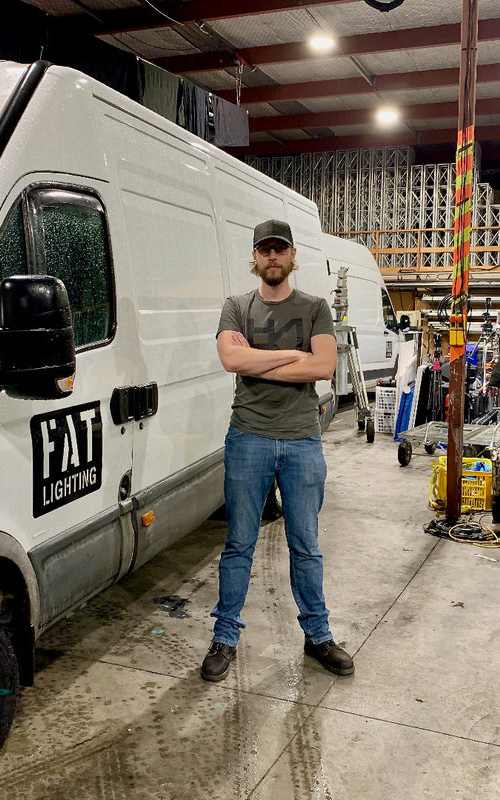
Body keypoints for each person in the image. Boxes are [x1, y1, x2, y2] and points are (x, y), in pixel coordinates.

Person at [201, 218, 354, 682]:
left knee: (305, 545)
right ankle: (225, 638)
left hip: (302, 439)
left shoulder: (315, 308)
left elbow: (325, 366)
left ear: (291, 257)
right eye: (264, 250)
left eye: (279, 250)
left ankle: (318, 636)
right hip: (247, 437)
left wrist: (258, 360)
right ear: (255, 258)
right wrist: (292, 357)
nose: (272, 257)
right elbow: (231, 359)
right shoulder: (236, 306)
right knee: (238, 545)